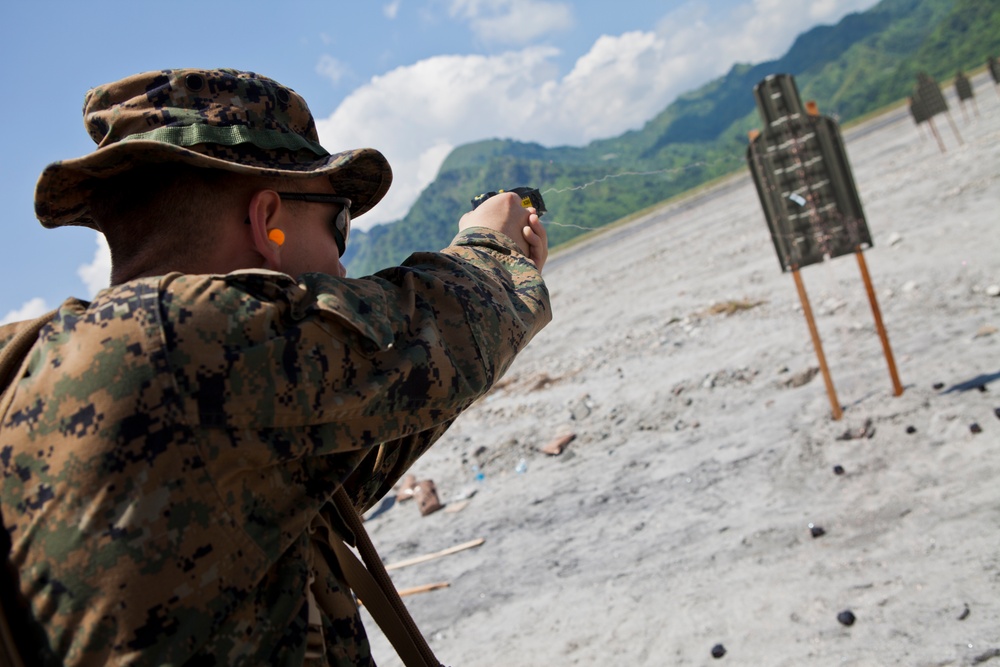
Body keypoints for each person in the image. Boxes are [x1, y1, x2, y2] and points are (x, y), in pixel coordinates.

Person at [0, 68, 550, 666]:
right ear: (268, 222)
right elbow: (437, 326)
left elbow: (363, 429)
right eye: (337, 225)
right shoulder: (171, 344)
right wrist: (489, 247)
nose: (341, 268)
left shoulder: (89, 381)